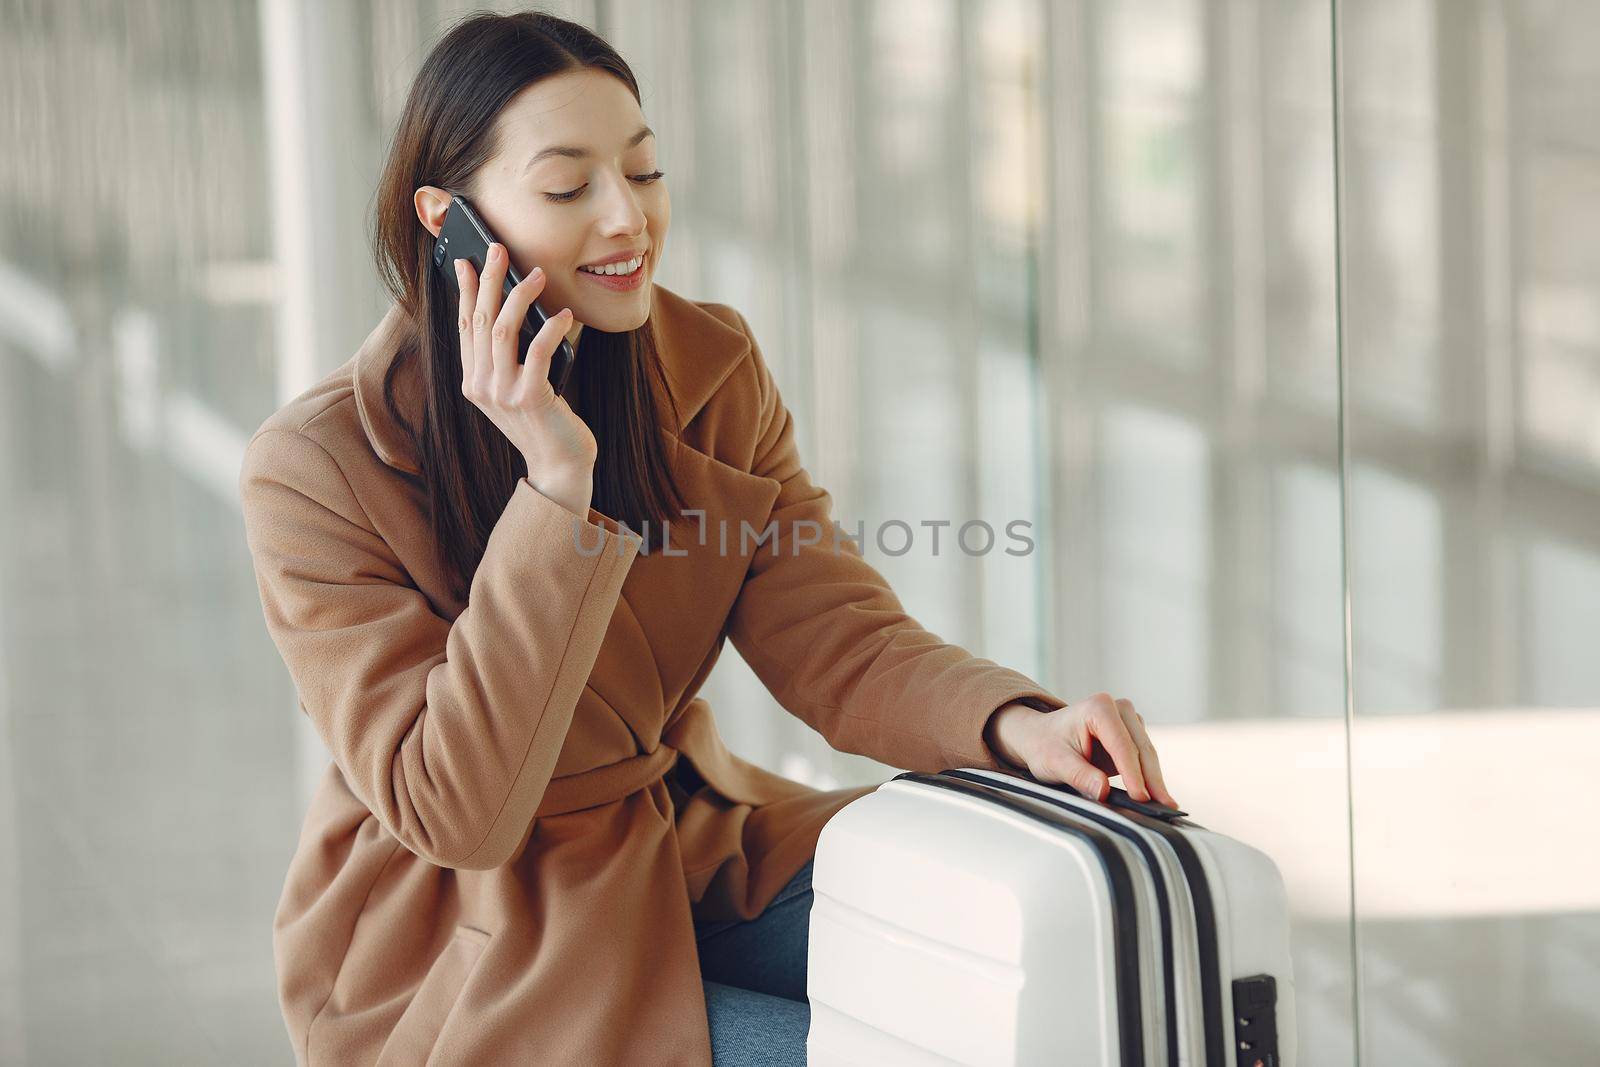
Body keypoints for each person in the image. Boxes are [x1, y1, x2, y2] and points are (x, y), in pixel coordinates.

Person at [237, 10, 1178, 1065]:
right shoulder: (316, 468)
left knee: (1034, 949)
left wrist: (1017, 725)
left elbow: (839, 637)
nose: (624, 219)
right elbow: (457, 810)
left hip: (687, 847)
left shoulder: (708, 361)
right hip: (463, 935)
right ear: (448, 218)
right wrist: (556, 481)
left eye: (643, 173)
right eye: (566, 188)